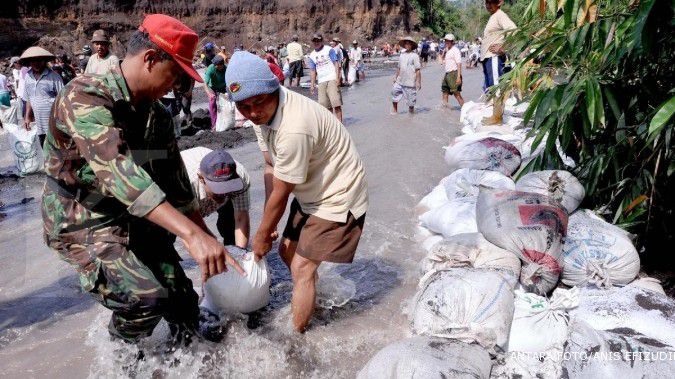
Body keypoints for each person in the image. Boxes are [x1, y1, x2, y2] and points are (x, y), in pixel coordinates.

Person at [42, 14, 244, 344]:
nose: (178, 86)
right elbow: (122, 176)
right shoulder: (84, 97)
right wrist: (191, 235)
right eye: (176, 74)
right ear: (150, 59)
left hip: (133, 211)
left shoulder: (157, 116)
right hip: (81, 214)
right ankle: (122, 363)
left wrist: (210, 242)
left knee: (183, 303)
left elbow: (177, 187)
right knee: (145, 299)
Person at [225, 51, 368, 332]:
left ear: (273, 89)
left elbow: (284, 189)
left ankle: (297, 339)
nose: (253, 113)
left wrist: (262, 234)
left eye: (258, 103)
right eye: (244, 107)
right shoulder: (261, 117)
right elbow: (270, 166)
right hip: (310, 186)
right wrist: (269, 221)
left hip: (338, 194)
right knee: (286, 252)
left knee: (301, 267)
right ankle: (313, 295)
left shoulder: (294, 127)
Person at [181, 148, 252, 249]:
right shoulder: (185, 185)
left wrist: (240, 255)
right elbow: (188, 232)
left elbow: (241, 218)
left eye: (228, 186)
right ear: (202, 179)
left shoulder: (240, 177)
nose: (224, 192)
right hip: (176, 197)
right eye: (219, 188)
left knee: (230, 223)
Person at [480, 0, 517, 124]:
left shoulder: (500, 15)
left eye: (491, 2)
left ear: (499, 2)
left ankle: (497, 117)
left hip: (494, 57)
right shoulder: (494, 17)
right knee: (492, 86)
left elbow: (514, 30)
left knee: (497, 87)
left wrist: (504, 49)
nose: (488, 5)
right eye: (487, 3)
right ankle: (495, 115)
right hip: (489, 58)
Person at [20, 46, 64, 147]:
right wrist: (27, 117)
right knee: (43, 147)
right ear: (29, 62)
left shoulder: (54, 76)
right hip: (39, 123)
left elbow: (62, 99)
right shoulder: (28, 76)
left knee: (57, 149)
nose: (36, 63)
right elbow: (28, 99)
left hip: (54, 122)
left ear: (44, 61)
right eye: (33, 60)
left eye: (39, 60)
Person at [308, 33, 343, 123]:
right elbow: (312, 71)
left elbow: (336, 64)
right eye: (314, 41)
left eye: (318, 40)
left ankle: (340, 124)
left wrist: (338, 78)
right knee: (325, 106)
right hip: (321, 82)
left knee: (336, 104)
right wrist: (312, 85)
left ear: (321, 41)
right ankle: (332, 124)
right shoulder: (311, 55)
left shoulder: (329, 50)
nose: (316, 42)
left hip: (332, 79)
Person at [391, 36, 421, 115]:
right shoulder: (402, 55)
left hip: (410, 81)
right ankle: (395, 111)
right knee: (394, 92)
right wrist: (395, 77)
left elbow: (418, 70)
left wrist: (418, 82)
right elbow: (399, 67)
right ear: (404, 45)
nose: (407, 45)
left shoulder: (415, 56)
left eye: (409, 44)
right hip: (400, 80)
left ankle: (411, 116)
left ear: (412, 45)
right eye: (406, 44)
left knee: (411, 102)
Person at [441, 33, 465, 108]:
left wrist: (458, 77)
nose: (447, 42)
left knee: (456, 94)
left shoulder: (456, 50)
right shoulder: (448, 50)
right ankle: (445, 111)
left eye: (448, 41)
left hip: (454, 74)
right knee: (444, 92)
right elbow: (442, 60)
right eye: (446, 41)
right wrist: (444, 52)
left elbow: (459, 64)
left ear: (452, 41)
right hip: (447, 74)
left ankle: (465, 110)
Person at [204, 54, 227, 128]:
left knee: (226, 102)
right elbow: (205, 84)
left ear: (221, 65)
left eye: (216, 65)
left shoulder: (226, 69)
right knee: (212, 101)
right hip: (212, 87)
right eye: (214, 64)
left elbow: (230, 81)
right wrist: (209, 94)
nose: (214, 66)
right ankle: (214, 124)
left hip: (223, 87)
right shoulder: (211, 68)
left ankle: (225, 120)